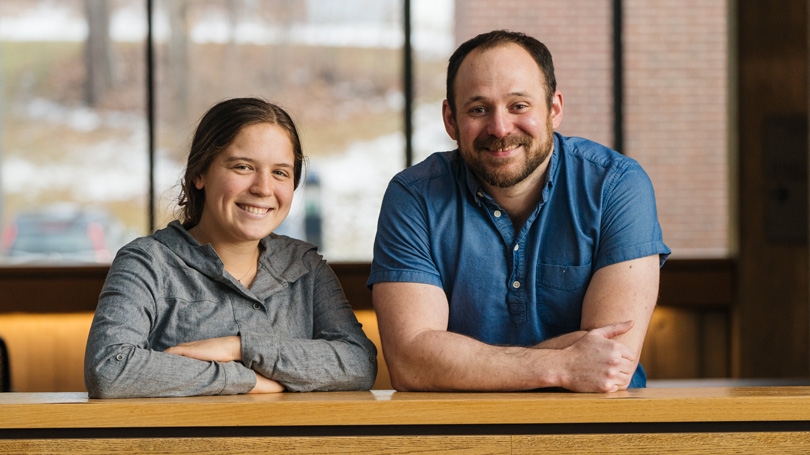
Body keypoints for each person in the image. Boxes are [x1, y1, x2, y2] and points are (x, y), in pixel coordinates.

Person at [368, 30, 670, 393]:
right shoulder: (413, 196)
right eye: (478, 109)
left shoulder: (616, 185)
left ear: (553, 109)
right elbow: (410, 364)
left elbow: (611, 360)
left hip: (597, 429)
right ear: (450, 119)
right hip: (461, 436)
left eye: (519, 106)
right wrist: (563, 364)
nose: (499, 128)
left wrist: (461, 363)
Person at [85, 97, 377, 398]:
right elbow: (109, 369)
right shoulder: (147, 262)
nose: (263, 188)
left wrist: (240, 347)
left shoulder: (305, 266)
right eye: (243, 167)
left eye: (280, 172)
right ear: (199, 173)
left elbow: (360, 362)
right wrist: (246, 380)